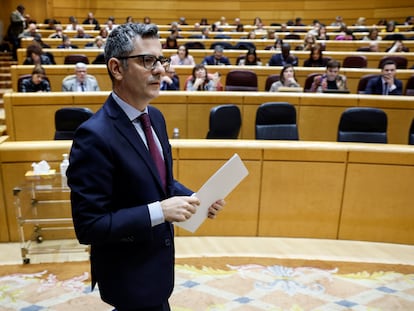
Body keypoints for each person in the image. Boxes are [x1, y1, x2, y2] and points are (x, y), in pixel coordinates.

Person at [67, 23, 225, 311]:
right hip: (127, 274)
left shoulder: (156, 117)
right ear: (117, 68)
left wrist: (194, 198)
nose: (161, 70)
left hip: (157, 267)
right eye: (147, 61)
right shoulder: (94, 136)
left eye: (161, 60)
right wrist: (161, 211)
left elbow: (160, 182)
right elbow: (89, 226)